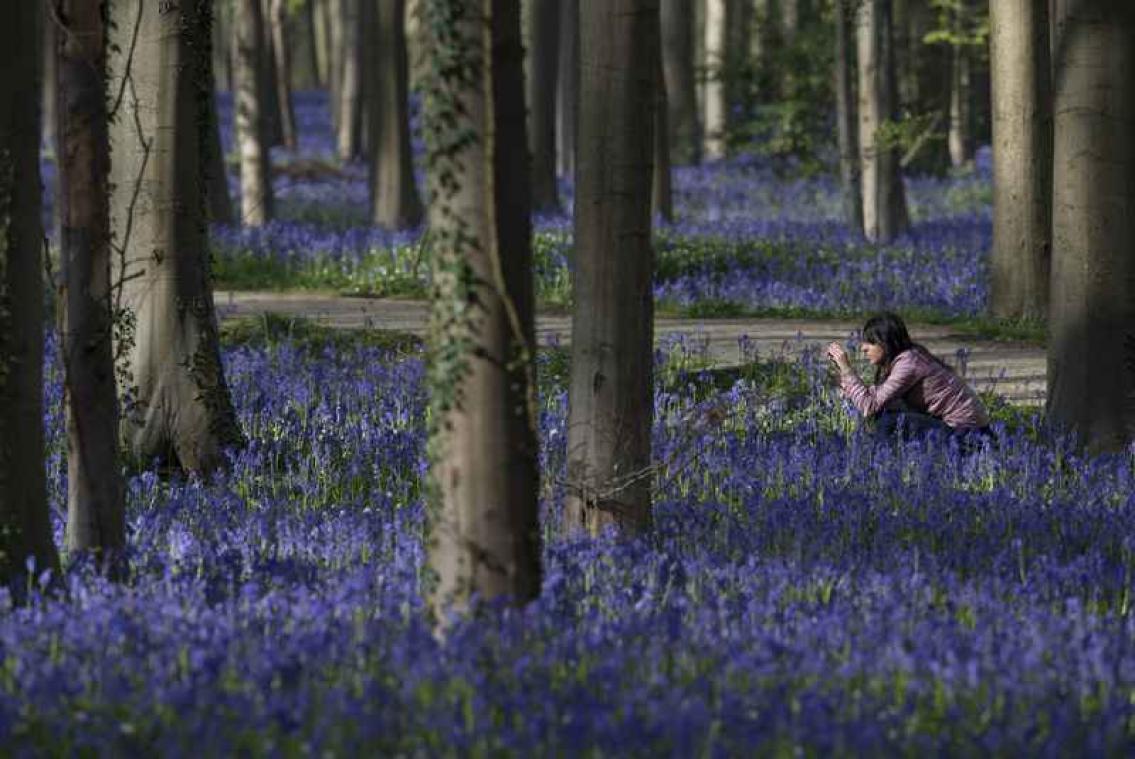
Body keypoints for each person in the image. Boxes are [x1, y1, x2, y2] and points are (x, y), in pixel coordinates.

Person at [826, 311, 992, 446]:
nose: (863, 348)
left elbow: (869, 406)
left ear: (886, 343)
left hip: (968, 436)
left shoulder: (909, 364)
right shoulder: (907, 359)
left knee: (888, 422)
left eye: (870, 342)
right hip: (964, 430)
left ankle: (881, 462)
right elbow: (877, 398)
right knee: (888, 413)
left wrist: (847, 369)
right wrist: (845, 381)